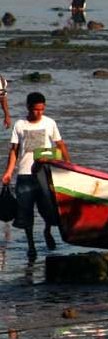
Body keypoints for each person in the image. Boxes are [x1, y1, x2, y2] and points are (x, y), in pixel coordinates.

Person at [1, 92, 70, 262]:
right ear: (28, 107)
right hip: (25, 174)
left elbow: (60, 145)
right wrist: (9, 172)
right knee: (25, 211)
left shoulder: (50, 123)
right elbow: (14, 151)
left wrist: (68, 165)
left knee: (49, 207)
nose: (39, 113)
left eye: (42, 109)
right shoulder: (19, 125)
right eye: (35, 109)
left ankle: (47, 230)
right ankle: (31, 245)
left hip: (45, 173)